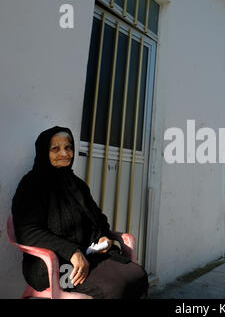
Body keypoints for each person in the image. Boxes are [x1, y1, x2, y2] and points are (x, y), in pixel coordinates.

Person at [12, 126, 148, 299]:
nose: (64, 153)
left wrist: (102, 236)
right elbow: (28, 232)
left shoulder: (76, 184)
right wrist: (72, 252)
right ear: (43, 152)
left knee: (137, 274)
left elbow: (98, 218)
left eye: (68, 147)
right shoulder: (31, 185)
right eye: (55, 149)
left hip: (89, 256)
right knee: (115, 288)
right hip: (53, 265)